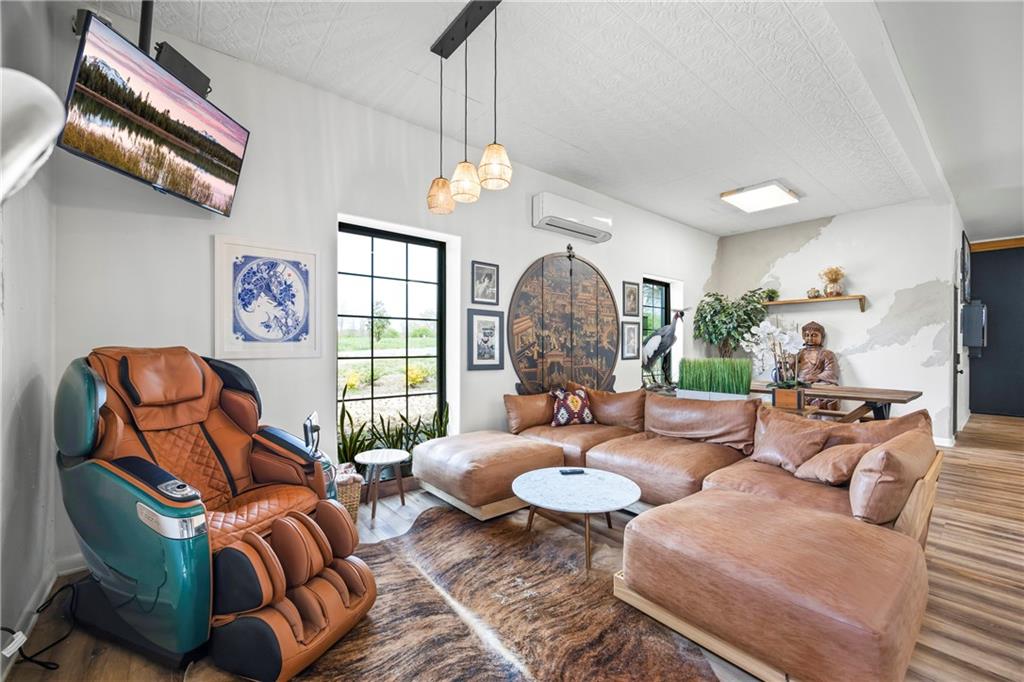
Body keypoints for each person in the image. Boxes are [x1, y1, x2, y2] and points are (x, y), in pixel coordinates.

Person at [796, 321, 840, 410]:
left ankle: (823, 422)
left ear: (822, 337)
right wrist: (788, 364)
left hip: (818, 385)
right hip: (801, 384)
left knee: (830, 393)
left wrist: (817, 377)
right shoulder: (798, 353)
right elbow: (789, 375)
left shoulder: (827, 354)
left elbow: (832, 373)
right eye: (807, 335)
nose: (810, 338)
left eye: (814, 335)